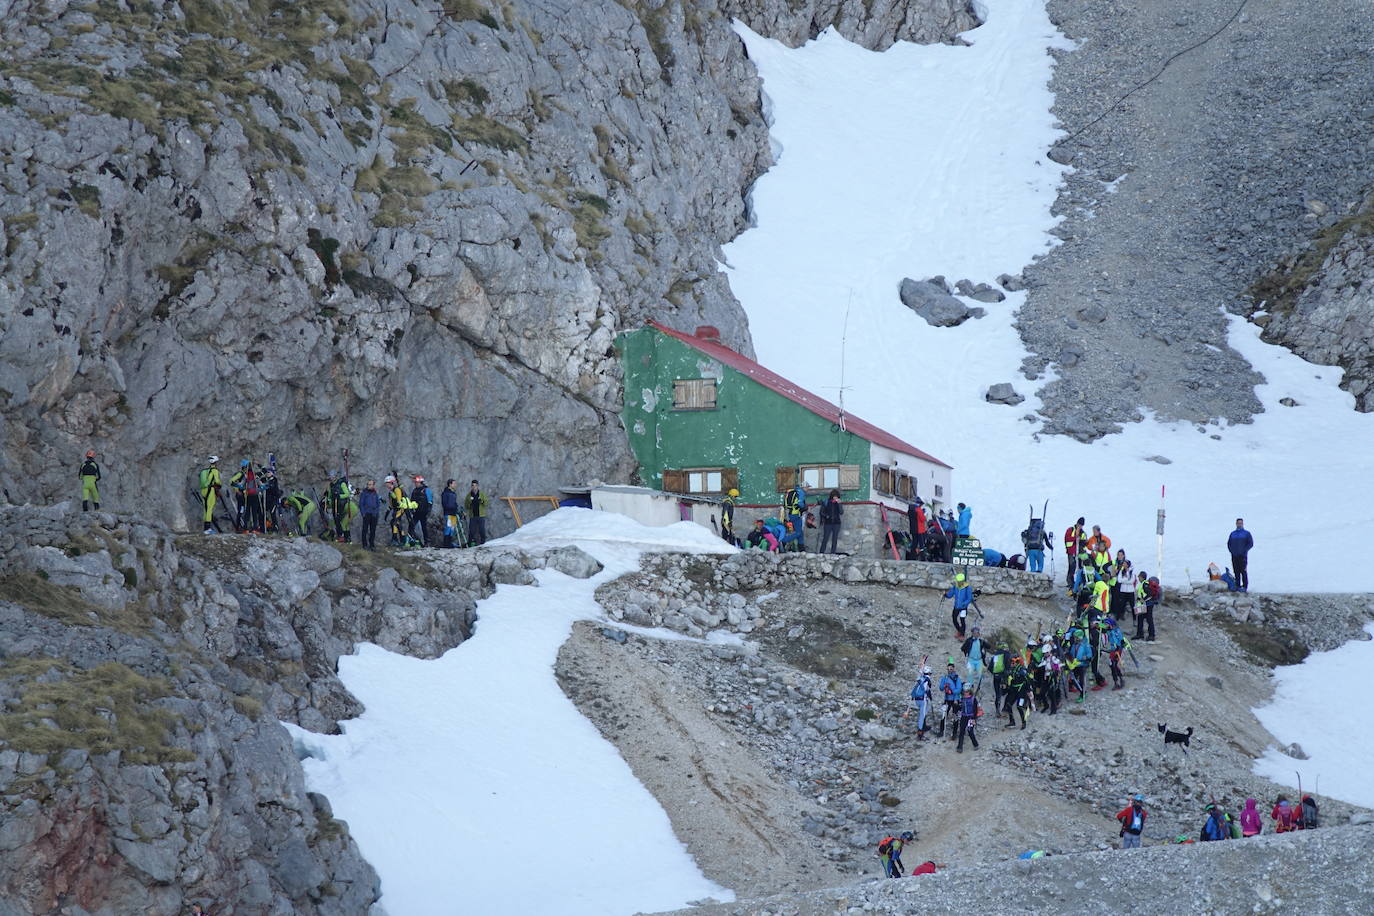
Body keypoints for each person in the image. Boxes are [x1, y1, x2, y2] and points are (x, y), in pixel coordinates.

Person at [1004, 656, 1032, 729]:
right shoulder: (1012, 670)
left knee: (1019, 706)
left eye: (1012, 662)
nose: (1011, 664)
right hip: (1014, 690)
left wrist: (1029, 690)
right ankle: (1012, 722)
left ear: (1016, 663)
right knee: (1008, 704)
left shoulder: (1022, 670)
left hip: (1021, 691)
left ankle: (1024, 722)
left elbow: (1028, 680)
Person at [945, 571, 974, 638]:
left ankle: (962, 634)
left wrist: (964, 604)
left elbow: (969, 598)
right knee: (954, 619)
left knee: (962, 620)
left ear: (962, 581)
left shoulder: (967, 588)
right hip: (956, 606)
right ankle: (959, 631)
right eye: (957, 581)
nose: (958, 582)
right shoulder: (955, 587)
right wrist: (946, 595)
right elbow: (950, 594)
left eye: (959, 581)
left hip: (963, 608)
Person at [1228, 518, 1253, 592]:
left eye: (1240, 523)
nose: (1239, 524)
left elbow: (1250, 543)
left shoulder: (1246, 533)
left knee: (1243, 571)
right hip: (1234, 555)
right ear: (1236, 524)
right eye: (1238, 523)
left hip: (1243, 556)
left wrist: (1244, 551)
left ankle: (1245, 586)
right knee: (1236, 571)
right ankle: (1237, 585)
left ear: (1242, 524)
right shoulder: (1233, 534)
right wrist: (1232, 551)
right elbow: (1229, 544)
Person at [937, 663, 962, 738]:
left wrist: (951, 690)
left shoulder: (957, 678)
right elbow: (941, 688)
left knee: (955, 716)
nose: (949, 671)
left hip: (955, 700)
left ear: (953, 669)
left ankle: (954, 733)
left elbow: (959, 689)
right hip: (947, 699)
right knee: (943, 715)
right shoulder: (944, 678)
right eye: (948, 669)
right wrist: (944, 686)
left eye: (950, 669)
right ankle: (941, 731)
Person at [955, 682, 981, 752]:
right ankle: (959, 747)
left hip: (971, 717)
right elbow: (960, 707)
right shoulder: (962, 699)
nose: (965, 693)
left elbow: (975, 710)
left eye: (967, 691)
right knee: (961, 731)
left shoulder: (973, 699)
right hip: (964, 716)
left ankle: (975, 744)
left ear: (970, 691)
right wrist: (956, 706)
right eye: (964, 691)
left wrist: (974, 719)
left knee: (970, 731)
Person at [200, 456, 222, 534]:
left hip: (204, 491)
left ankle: (205, 528)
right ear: (215, 462)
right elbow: (217, 481)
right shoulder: (214, 470)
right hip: (211, 490)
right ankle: (208, 529)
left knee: (205, 509)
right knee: (209, 508)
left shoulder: (206, 471)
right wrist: (219, 484)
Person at [910, 665, 933, 740]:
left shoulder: (921, 678)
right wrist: (930, 696)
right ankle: (920, 731)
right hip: (922, 699)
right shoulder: (927, 679)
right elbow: (926, 689)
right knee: (922, 715)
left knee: (924, 712)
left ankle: (924, 726)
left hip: (917, 699)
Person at [1064, 517, 1086, 592]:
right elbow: (1067, 539)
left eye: (1081, 525)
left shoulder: (1082, 532)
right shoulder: (1070, 530)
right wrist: (1075, 538)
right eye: (1079, 524)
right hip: (1071, 552)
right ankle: (1070, 582)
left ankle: (1078, 582)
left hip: (1079, 553)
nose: (1080, 526)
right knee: (1072, 566)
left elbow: (1084, 541)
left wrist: (1081, 541)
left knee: (1079, 567)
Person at [1135, 573, 1159, 641]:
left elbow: (1149, 594)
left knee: (1149, 620)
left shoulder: (1145, 584)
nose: (1138, 578)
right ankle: (1140, 634)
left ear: (1142, 577)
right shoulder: (1144, 584)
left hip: (1147, 604)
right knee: (1140, 619)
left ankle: (1151, 635)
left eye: (1139, 577)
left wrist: (1143, 599)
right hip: (1143, 604)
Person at [465, 480, 489, 545]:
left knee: (482, 530)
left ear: (478, 486)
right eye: (473, 485)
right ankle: (470, 543)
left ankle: (483, 543)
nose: (474, 487)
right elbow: (466, 506)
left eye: (475, 485)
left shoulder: (482, 494)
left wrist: (482, 501)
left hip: (481, 515)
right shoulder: (469, 495)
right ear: (471, 486)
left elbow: (486, 503)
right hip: (473, 516)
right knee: (472, 531)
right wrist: (470, 503)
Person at [783, 483, 806, 551]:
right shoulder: (801, 492)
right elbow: (800, 504)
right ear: (803, 487)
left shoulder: (794, 492)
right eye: (807, 487)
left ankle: (801, 548)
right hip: (796, 514)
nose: (808, 489)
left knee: (800, 532)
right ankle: (784, 540)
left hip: (790, 513)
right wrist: (804, 507)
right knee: (798, 532)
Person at [818, 489, 843, 553]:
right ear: (831, 496)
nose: (835, 498)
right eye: (834, 496)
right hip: (828, 523)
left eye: (836, 497)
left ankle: (833, 553)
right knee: (825, 538)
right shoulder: (827, 502)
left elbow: (841, 512)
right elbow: (821, 512)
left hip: (837, 523)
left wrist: (840, 504)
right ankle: (821, 552)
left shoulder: (838, 503)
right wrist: (826, 516)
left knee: (834, 539)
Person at [410, 475, 432, 547]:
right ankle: (412, 540)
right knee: (411, 526)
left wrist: (428, 511)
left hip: (424, 512)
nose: (415, 484)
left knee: (424, 527)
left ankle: (427, 542)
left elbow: (430, 501)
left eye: (417, 482)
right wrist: (411, 509)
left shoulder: (426, 490)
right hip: (416, 512)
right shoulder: (414, 490)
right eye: (415, 482)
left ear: (421, 482)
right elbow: (411, 500)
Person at [359, 479, 381, 549]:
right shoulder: (364, 493)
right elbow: (361, 504)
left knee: (373, 530)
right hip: (367, 513)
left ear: (373, 485)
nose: (369, 486)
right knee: (365, 529)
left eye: (370, 484)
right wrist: (363, 513)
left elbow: (378, 504)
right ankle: (364, 545)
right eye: (368, 484)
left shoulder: (375, 493)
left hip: (374, 514)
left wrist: (376, 512)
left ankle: (372, 544)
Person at [1112, 551, 1133, 618]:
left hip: (1122, 585)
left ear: (1124, 555)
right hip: (1114, 583)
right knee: (1114, 599)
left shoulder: (1126, 563)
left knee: (1121, 600)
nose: (1119, 556)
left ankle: (1121, 613)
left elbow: (1129, 574)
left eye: (1121, 555)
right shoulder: (1115, 562)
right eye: (1118, 555)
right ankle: (1115, 612)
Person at [441, 479, 461, 548]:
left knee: (452, 529)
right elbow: (445, 504)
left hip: (453, 513)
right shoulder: (446, 493)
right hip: (448, 513)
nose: (455, 485)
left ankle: (450, 543)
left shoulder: (453, 493)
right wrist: (451, 507)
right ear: (450, 484)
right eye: (454, 483)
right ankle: (446, 543)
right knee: (448, 528)